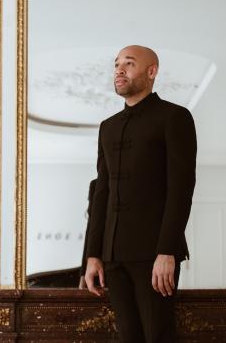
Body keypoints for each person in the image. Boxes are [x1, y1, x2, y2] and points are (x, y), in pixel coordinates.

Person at [84, 45, 197, 343]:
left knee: (158, 336)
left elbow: (181, 189)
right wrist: (93, 254)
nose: (119, 69)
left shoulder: (175, 117)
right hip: (112, 256)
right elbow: (102, 194)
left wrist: (167, 251)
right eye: (117, 64)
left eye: (129, 64)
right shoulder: (107, 128)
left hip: (153, 254)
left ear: (151, 71)